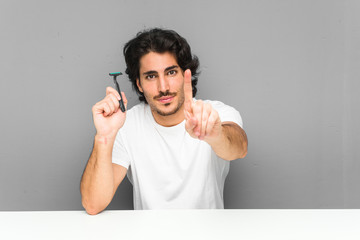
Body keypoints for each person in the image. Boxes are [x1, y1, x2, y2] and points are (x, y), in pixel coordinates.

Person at [80, 28, 248, 214]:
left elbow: (239, 148)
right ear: (139, 84)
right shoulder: (125, 124)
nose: (163, 87)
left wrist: (215, 135)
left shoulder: (215, 114)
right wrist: (104, 136)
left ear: (186, 74)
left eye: (171, 73)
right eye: (151, 76)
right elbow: (93, 204)